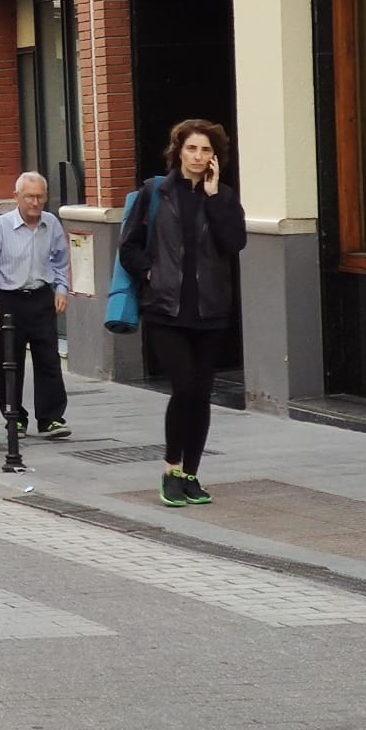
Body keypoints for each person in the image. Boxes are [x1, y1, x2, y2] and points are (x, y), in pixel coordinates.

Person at [118, 119, 247, 508]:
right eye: (192, 148)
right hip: (165, 309)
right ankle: (171, 469)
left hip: (210, 311)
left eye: (206, 150)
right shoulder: (155, 192)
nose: (198, 156)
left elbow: (234, 243)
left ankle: (191, 474)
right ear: (179, 151)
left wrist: (212, 199)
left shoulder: (221, 196)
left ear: (215, 157)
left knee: (202, 395)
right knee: (186, 388)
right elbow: (129, 247)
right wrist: (150, 270)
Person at [0, 172, 73, 443]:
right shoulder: (1, 227)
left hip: (40, 297)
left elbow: (61, 259)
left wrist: (61, 289)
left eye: (40, 197)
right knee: (10, 362)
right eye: (29, 196)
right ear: (17, 197)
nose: (35, 202)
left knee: (49, 359)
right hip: (8, 300)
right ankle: (14, 417)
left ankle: (51, 418)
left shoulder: (51, 224)